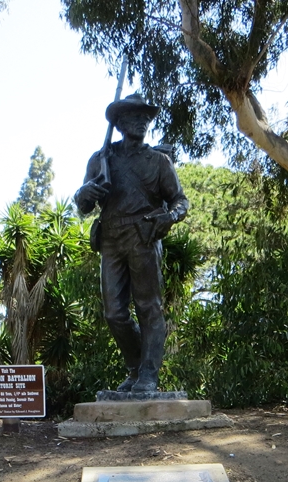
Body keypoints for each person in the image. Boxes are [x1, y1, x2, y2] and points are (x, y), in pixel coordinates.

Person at [74, 93, 189, 393]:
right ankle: (136, 367)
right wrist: (84, 194)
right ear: (120, 123)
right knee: (114, 313)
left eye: (145, 118)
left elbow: (180, 201)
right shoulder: (101, 159)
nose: (141, 122)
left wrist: (170, 217)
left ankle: (148, 375)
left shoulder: (158, 161)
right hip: (111, 238)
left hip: (144, 236)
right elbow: (84, 205)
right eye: (134, 117)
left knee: (149, 307)